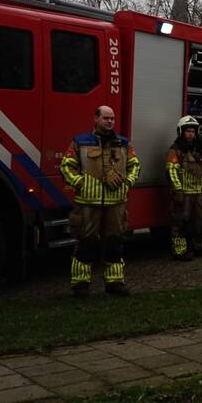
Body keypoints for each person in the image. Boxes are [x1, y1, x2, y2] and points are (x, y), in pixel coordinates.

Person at [60, 105, 141, 298]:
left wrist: (127, 183)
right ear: (96, 119)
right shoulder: (80, 142)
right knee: (86, 243)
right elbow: (66, 167)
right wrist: (80, 183)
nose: (110, 122)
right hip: (87, 204)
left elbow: (135, 165)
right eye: (106, 118)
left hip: (116, 204)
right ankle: (80, 285)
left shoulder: (123, 143)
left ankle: (115, 283)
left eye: (112, 118)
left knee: (114, 242)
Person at [165, 116, 202, 261]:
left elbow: (198, 172)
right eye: (188, 131)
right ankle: (180, 251)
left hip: (197, 192)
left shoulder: (196, 150)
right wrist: (177, 190)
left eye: (193, 132)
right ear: (181, 132)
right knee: (181, 222)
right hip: (184, 193)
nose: (191, 134)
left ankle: (200, 246)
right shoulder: (175, 151)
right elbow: (171, 171)